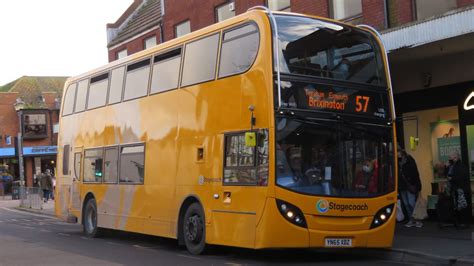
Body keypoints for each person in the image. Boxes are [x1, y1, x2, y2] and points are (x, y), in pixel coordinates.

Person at [446, 152, 472, 228]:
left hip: (461, 189)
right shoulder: (452, 166)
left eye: (450, 157)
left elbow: (462, 177)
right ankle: (459, 222)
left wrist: (452, 178)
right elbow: (448, 175)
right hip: (456, 189)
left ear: (455, 157)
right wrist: (446, 168)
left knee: (462, 205)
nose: (449, 159)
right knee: (458, 205)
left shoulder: (461, 166)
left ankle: (464, 222)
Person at [398, 149, 423, 228]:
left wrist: (415, 184)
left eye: (399, 154)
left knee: (411, 202)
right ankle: (411, 219)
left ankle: (416, 219)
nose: (398, 156)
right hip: (402, 185)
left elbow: (414, 173)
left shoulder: (409, 161)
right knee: (406, 203)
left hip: (410, 184)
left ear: (403, 154)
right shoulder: (397, 162)